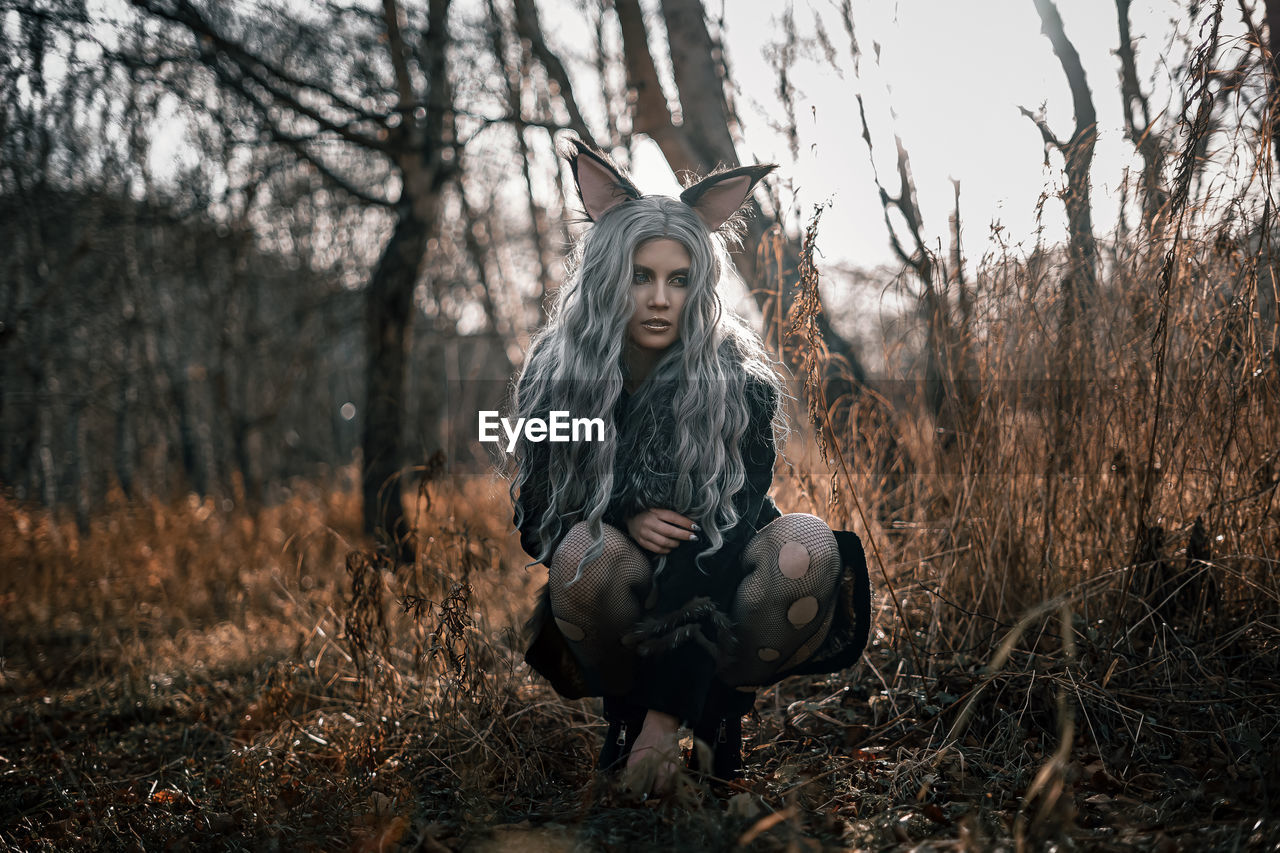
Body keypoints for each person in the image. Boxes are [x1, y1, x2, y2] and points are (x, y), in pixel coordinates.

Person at [510, 139, 870, 795]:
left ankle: (715, 718)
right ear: (607, 274)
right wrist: (623, 510)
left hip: (724, 575)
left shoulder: (741, 383)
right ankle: (624, 719)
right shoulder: (553, 376)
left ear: (700, 282)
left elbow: (721, 539)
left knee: (808, 545)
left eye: (678, 280)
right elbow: (536, 516)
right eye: (640, 276)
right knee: (585, 552)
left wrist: (664, 721)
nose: (658, 298)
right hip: (616, 583)